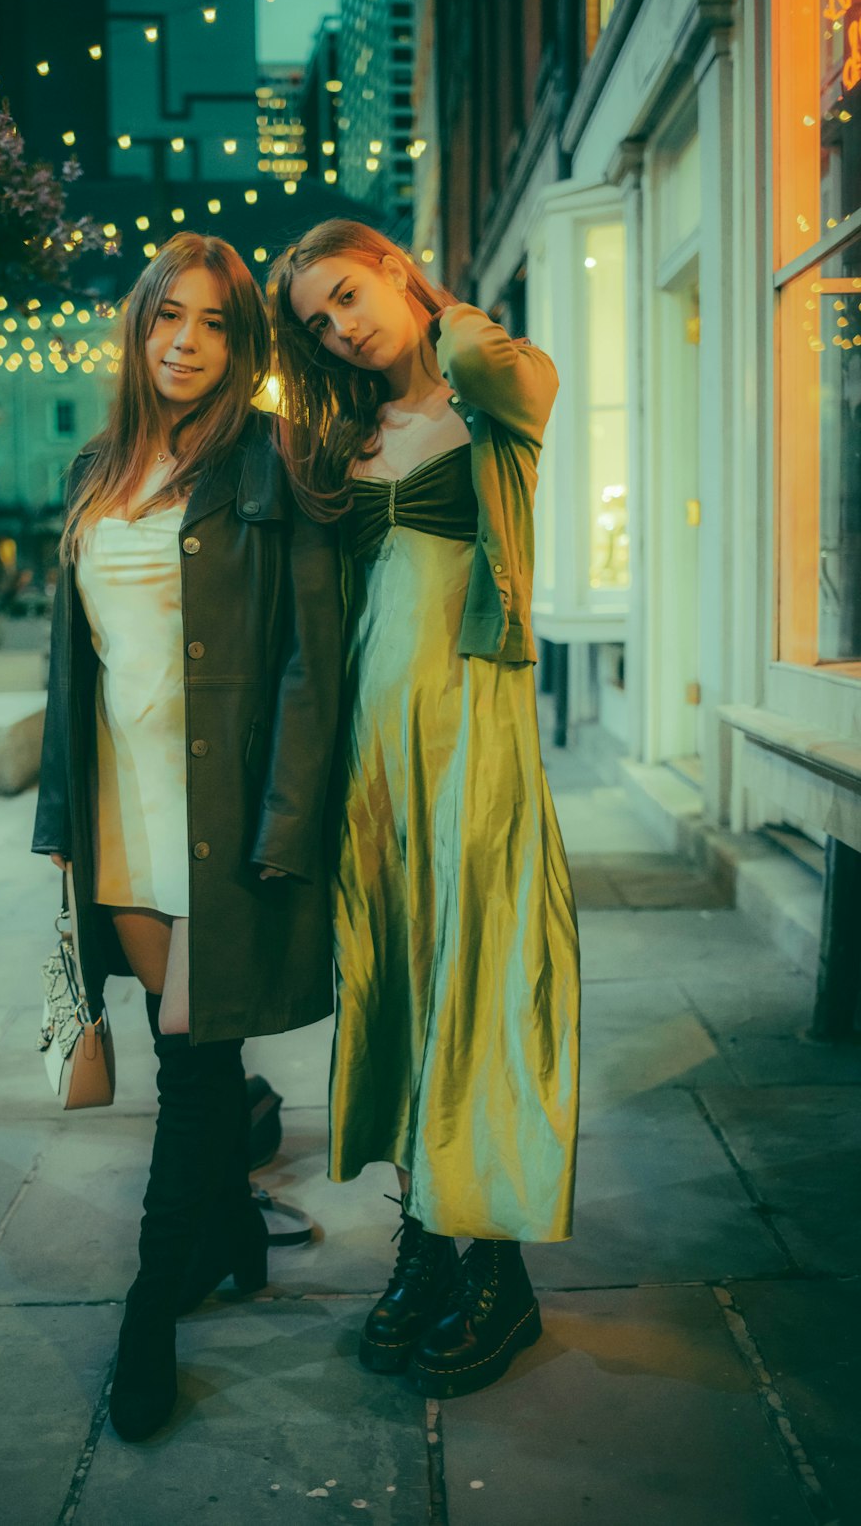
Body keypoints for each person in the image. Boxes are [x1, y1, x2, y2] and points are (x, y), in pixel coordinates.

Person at [32, 233, 341, 1442]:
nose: (186, 343)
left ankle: (147, 1322)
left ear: (241, 343)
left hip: (219, 819)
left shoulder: (273, 467)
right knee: (190, 1063)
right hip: (121, 814)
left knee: (196, 1063)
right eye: (170, 315)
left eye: (215, 323)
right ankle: (225, 1238)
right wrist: (60, 826)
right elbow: (72, 673)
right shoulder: (92, 471)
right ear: (138, 325)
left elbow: (312, 665)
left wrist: (287, 821)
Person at [268, 219, 580, 1400]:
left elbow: (513, 372)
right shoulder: (348, 437)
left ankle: (497, 1269)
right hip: (373, 755)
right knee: (395, 978)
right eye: (318, 322)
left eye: (349, 295)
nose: (341, 328)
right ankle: (427, 1238)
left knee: (480, 979)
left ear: (395, 269)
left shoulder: (494, 396)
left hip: (476, 740)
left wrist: (441, 316)